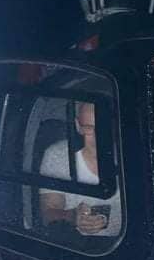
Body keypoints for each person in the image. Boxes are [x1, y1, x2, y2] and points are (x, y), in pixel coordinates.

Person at [38, 101, 121, 237]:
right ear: (78, 126)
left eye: (103, 127)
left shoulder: (129, 155)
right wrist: (73, 216)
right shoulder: (58, 155)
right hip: (77, 244)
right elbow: (48, 213)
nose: (98, 135)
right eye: (89, 128)